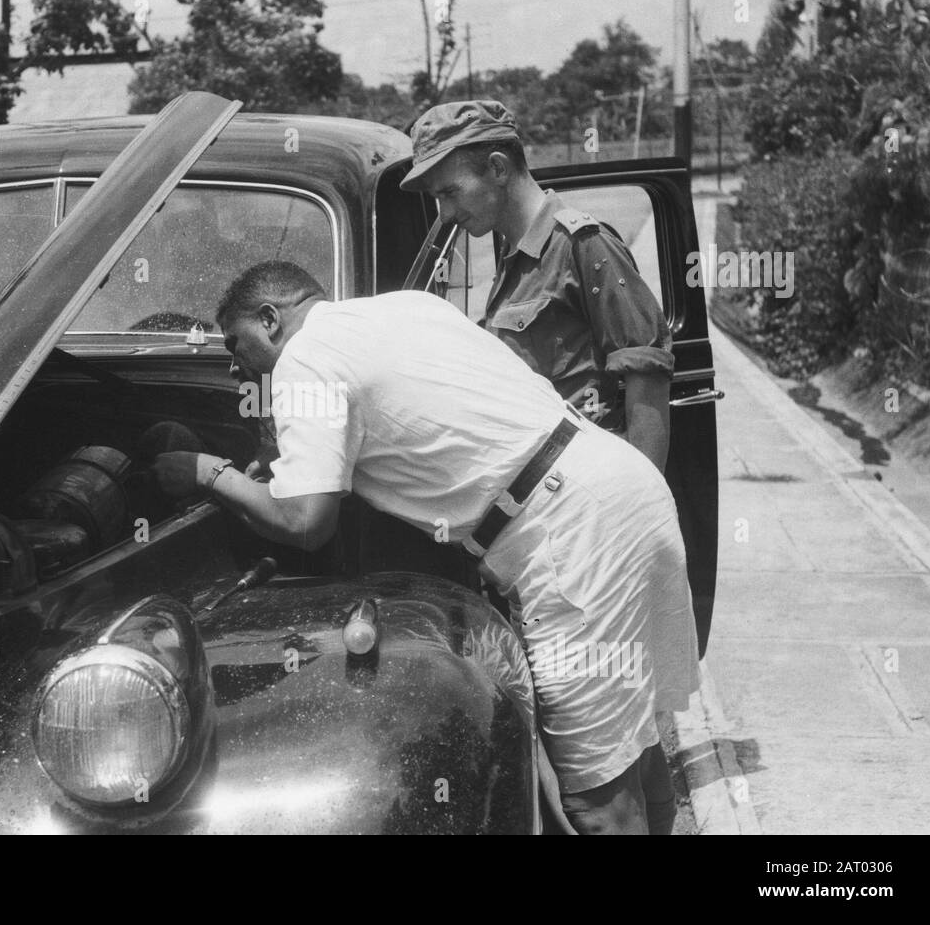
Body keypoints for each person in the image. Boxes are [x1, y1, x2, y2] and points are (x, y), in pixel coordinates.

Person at [151, 260, 699, 834]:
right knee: (632, 752)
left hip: (570, 535)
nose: (234, 364)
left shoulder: (303, 360)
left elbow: (306, 521)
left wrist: (208, 473)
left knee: (596, 802)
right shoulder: (407, 306)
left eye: (235, 344)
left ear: (270, 319)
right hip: (617, 485)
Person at [399, 100, 674, 472]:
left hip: (585, 483)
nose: (446, 214)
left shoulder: (581, 245)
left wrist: (641, 504)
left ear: (497, 167)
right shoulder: (511, 256)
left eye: (450, 193)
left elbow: (647, 379)